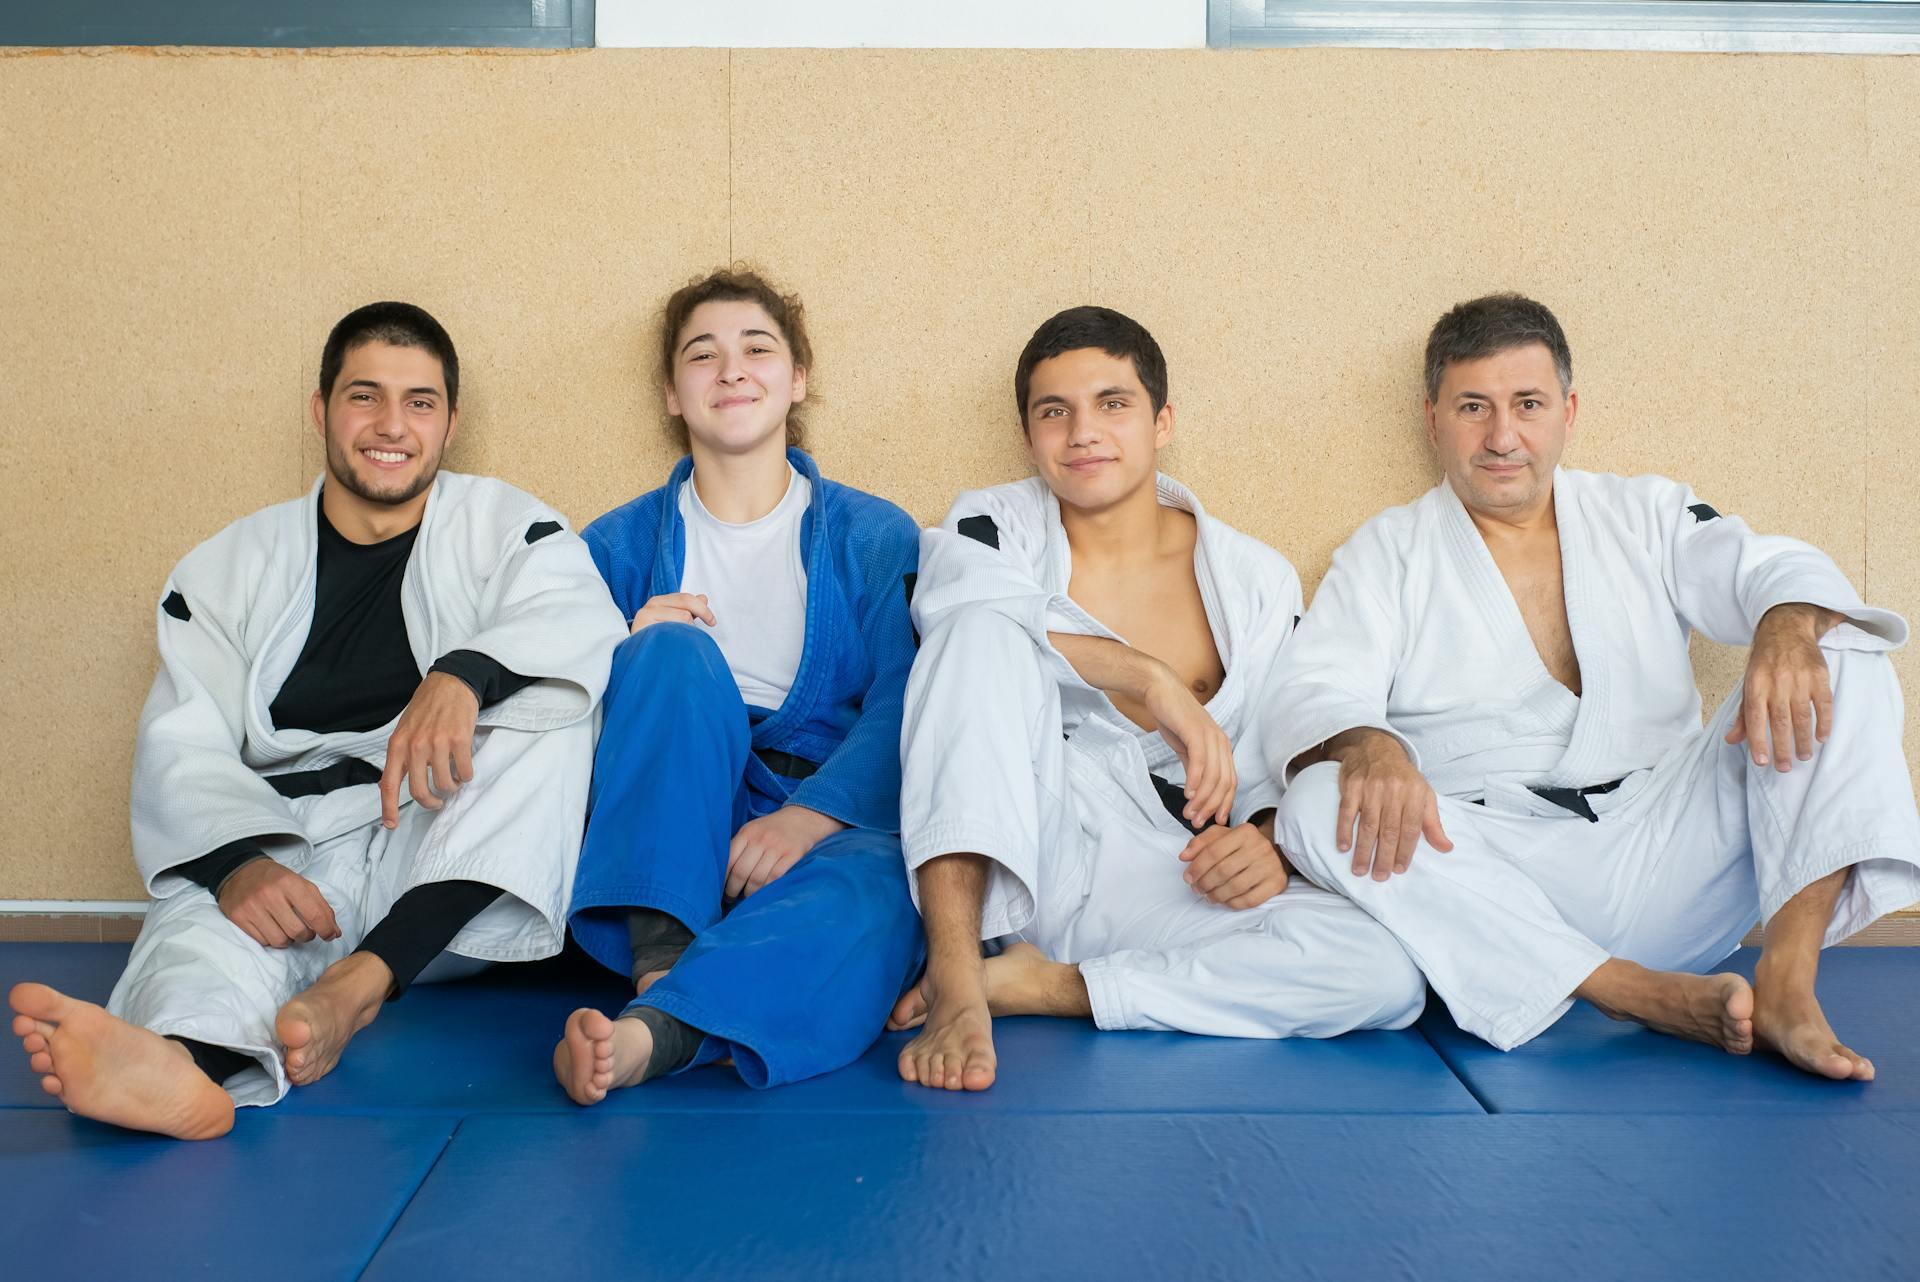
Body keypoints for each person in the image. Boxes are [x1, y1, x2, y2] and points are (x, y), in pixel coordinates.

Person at [8, 302, 626, 1138]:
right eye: (364, 396)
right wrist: (236, 866)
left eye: (419, 402)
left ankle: (361, 984)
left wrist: (464, 673)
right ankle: (179, 1068)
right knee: (202, 940)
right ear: (321, 410)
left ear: (450, 424)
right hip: (294, 842)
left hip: (441, 859)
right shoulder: (226, 568)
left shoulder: (509, 528)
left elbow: (577, 621)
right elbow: (182, 738)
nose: (391, 425)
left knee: (550, 715)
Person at [1267, 293, 1920, 1079]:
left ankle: (1786, 981)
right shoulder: (1388, 553)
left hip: (1664, 850)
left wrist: (1785, 623)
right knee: (1318, 799)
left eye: (1528, 404)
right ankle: (1629, 992)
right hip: (1495, 880)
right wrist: (1371, 745)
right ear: (1432, 418)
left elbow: (1766, 565)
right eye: (1473, 407)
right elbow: (1318, 685)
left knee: (1839, 646)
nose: (1502, 436)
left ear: (1567, 412)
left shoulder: (1642, 513)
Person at [892, 305, 1427, 1093]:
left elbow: (1289, 730)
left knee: (1384, 974)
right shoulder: (992, 524)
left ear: (1162, 421)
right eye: (1055, 412)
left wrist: (1270, 841)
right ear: (1029, 435)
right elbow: (953, 614)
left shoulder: (1253, 577)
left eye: (1113, 403)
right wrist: (1148, 676)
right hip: (1036, 853)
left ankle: (1050, 988)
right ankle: (957, 977)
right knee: (975, 632)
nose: (1084, 433)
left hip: (1171, 872)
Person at [553, 267, 923, 1102]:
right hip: (676, 817)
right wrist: (623, 652)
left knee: (887, 889)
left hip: (827, 822)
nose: (731, 371)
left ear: (798, 379)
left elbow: (905, 699)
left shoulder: (873, 535)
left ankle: (654, 1036)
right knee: (671, 652)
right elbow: (554, 698)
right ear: (671, 394)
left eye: (757, 349)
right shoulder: (614, 546)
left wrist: (807, 817)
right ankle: (663, 962)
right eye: (702, 355)